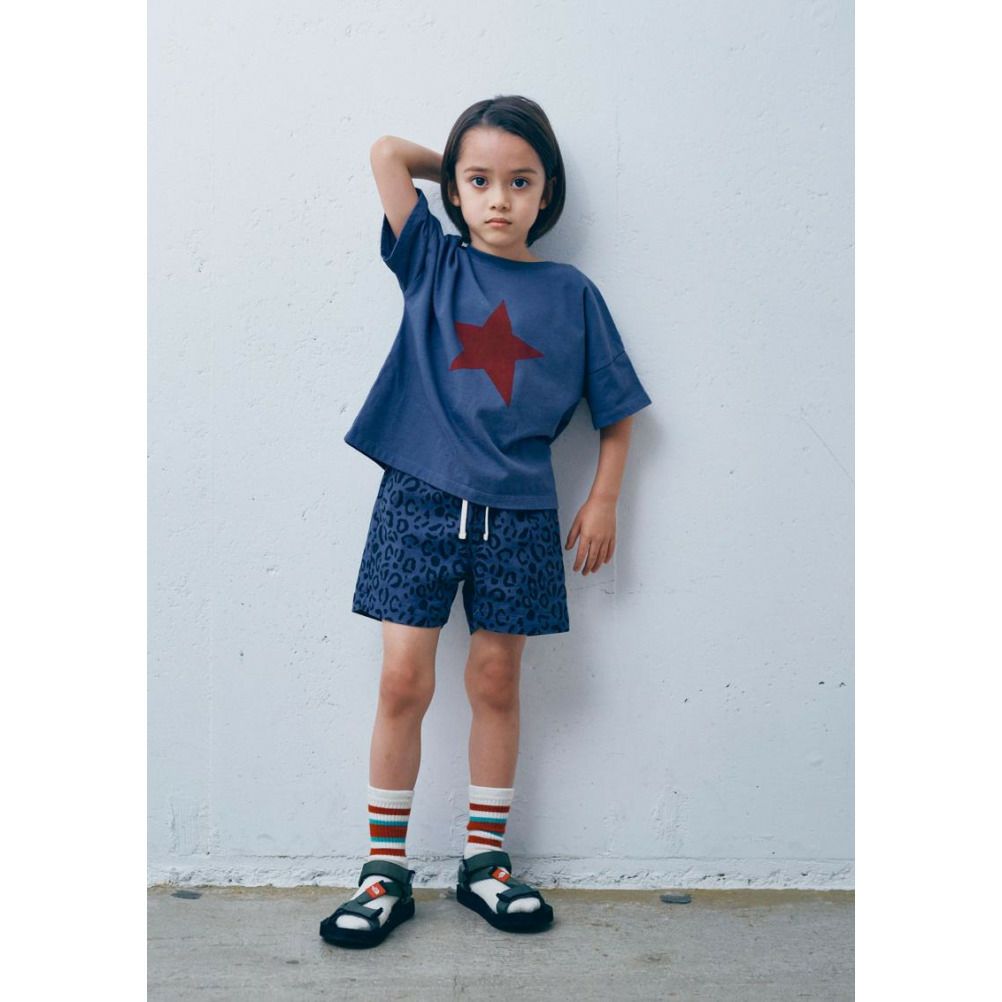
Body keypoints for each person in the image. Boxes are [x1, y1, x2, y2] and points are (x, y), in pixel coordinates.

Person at [319, 95, 653, 949]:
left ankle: (485, 862)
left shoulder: (573, 295)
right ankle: (383, 871)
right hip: (416, 503)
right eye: (480, 182)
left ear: (549, 192)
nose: (500, 198)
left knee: (497, 682)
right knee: (403, 682)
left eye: (521, 182)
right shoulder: (433, 262)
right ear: (457, 192)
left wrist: (603, 498)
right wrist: (460, 170)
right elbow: (386, 152)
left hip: (522, 516)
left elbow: (618, 413)